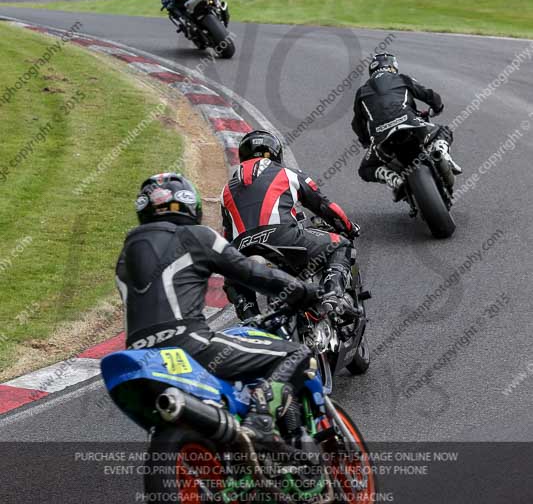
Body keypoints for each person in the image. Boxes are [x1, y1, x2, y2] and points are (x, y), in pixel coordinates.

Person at [116, 172, 320, 449]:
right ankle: (260, 419)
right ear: (191, 204)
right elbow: (250, 271)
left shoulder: (126, 254)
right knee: (297, 352)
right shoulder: (195, 236)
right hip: (191, 346)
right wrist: (301, 290)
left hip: (139, 357)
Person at [220, 130, 359, 320]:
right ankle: (332, 295)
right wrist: (348, 227)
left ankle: (250, 318)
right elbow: (323, 205)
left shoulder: (225, 190)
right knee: (340, 244)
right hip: (283, 237)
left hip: (241, 249)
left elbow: (227, 236)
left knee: (233, 279)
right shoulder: (287, 173)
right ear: (276, 153)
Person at [352, 53, 461, 198]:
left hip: (382, 139)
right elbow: (430, 95)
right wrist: (437, 108)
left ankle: (393, 178)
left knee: (365, 169)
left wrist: (366, 141)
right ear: (393, 66)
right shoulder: (402, 78)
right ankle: (442, 154)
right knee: (443, 130)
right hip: (412, 125)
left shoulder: (361, 92)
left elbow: (357, 124)